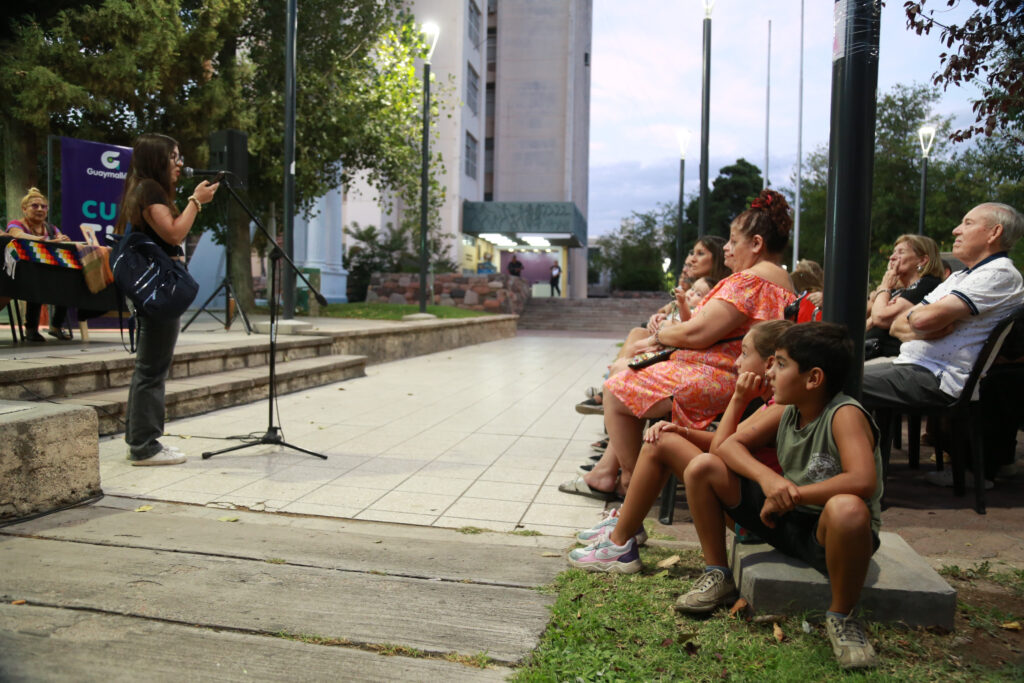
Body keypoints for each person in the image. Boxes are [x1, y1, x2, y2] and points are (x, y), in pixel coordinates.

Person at [560, 189, 796, 500]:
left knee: (616, 390)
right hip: (739, 377)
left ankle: (630, 485)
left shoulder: (750, 281)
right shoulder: (782, 284)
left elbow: (697, 333)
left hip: (723, 377)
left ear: (756, 244)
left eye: (733, 241)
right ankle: (611, 475)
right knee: (624, 377)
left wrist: (659, 335)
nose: (728, 248)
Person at [678, 322, 883, 670]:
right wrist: (769, 480)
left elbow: (862, 480)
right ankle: (719, 573)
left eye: (782, 364)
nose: (770, 372)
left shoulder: (843, 414)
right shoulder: (789, 409)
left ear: (813, 378)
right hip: (785, 518)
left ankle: (842, 617)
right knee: (703, 467)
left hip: (829, 534)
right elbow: (725, 446)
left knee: (847, 508)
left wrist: (794, 494)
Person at [568, 319, 793, 570]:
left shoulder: (780, 408)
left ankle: (619, 542)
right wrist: (680, 430)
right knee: (662, 438)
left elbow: (721, 448)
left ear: (769, 364)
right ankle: (624, 528)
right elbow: (730, 441)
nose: (736, 362)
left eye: (744, 354)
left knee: (663, 445)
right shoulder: (772, 404)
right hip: (745, 507)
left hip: (754, 520)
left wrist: (738, 399)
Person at [860, 203, 1024, 487]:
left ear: (994, 233)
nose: (956, 230)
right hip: (913, 366)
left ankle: (854, 479)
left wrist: (922, 321)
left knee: (837, 380)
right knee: (829, 373)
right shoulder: (961, 276)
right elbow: (898, 325)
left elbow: (919, 319)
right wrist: (930, 325)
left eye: (968, 223)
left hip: (937, 377)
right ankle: (852, 473)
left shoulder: (999, 274)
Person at [116, 133, 219, 466]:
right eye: (173, 157)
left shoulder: (144, 188)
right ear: (156, 159)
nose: (180, 163)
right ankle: (144, 446)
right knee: (152, 369)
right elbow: (174, 233)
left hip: (156, 290)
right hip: (158, 292)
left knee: (150, 368)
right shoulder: (148, 189)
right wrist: (196, 202)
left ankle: (142, 441)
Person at [5, 187, 72, 341]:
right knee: (37, 282)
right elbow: (17, 235)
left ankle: (56, 326)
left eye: (44, 206)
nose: (40, 209)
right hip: (20, 272)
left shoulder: (51, 228)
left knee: (68, 281)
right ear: (24, 209)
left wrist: (64, 240)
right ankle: (31, 329)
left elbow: (61, 240)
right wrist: (43, 240)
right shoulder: (16, 224)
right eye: (35, 206)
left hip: (49, 271)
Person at [864, 234, 943, 359]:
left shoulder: (928, 284)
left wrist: (884, 286)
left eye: (901, 252)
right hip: (869, 350)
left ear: (922, 260)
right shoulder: (898, 290)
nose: (892, 257)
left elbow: (880, 317)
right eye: (893, 252)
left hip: (893, 356)